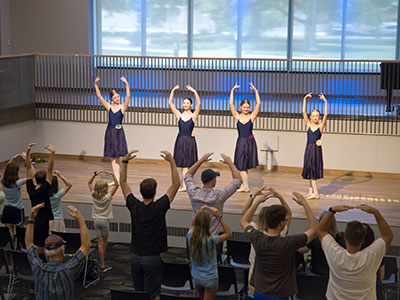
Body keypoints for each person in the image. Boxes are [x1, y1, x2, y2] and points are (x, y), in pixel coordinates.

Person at [119, 149, 180, 300]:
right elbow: (176, 184)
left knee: (139, 295)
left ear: (140, 192)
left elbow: (123, 183)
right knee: (151, 296)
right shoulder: (159, 207)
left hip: (134, 257)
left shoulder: (134, 206)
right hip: (152, 259)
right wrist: (172, 161)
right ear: (155, 192)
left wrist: (125, 162)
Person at [240, 192, 317, 300]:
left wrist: (257, 201)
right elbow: (314, 229)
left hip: (260, 293)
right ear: (281, 223)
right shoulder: (289, 242)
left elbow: (244, 220)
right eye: (285, 220)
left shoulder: (257, 238)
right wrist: (304, 203)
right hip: (280, 295)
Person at [318, 204, 393, 300]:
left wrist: (332, 211)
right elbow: (388, 236)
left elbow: (321, 230)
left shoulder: (335, 254)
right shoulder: (371, 255)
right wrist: (375, 212)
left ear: (345, 238)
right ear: (362, 240)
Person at [26, 203, 91, 300]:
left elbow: (29, 243)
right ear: (62, 252)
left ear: (45, 252)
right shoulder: (69, 269)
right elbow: (86, 245)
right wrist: (81, 221)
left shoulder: (38, 267)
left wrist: (31, 218)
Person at [184, 152, 242, 262]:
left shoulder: (193, 192)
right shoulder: (219, 195)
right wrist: (230, 162)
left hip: (196, 237)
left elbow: (188, 175)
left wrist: (201, 160)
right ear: (212, 180)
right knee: (214, 264)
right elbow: (238, 180)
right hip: (214, 239)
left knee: (194, 262)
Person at [241, 186, 292, 296]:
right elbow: (288, 215)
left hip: (255, 273)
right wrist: (280, 197)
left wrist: (254, 197)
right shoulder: (280, 232)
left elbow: (245, 213)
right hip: (275, 276)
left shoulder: (254, 232)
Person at [187, 205, 232, 300]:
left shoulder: (190, 236)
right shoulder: (211, 240)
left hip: (196, 278)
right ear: (208, 224)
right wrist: (219, 217)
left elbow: (192, 225)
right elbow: (228, 233)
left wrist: (198, 214)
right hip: (210, 278)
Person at [94, 76, 130, 183]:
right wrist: (96, 84)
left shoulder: (123, 107)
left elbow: (127, 96)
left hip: (118, 133)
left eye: (118, 97)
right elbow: (99, 96)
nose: (118, 99)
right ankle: (116, 179)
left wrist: (126, 84)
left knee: (119, 158)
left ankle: (119, 178)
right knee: (113, 158)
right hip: (110, 132)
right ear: (111, 99)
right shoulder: (109, 107)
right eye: (115, 98)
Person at [169, 84, 201, 192]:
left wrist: (194, 91)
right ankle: (181, 183)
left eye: (187, 103)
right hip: (180, 140)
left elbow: (199, 104)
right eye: (184, 103)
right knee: (179, 165)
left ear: (191, 105)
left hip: (189, 141)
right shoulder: (179, 115)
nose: (185, 104)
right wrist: (173, 91)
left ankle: (185, 186)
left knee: (187, 165)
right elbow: (170, 103)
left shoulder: (193, 116)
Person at [229, 83, 261, 192]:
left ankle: (246, 186)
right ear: (240, 107)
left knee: (243, 166)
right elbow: (231, 104)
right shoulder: (237, 116)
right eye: (244, 107)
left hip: (249, 142)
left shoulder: (252, 117)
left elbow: (258, 103)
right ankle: (244, 185)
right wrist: (232, 91)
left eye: (247, 107)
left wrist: (256, 91)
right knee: (241, 165)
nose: (246, 109)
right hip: (240, 142)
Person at [25, 143, 55, 254]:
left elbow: (28, 168)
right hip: (43, 221)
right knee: (42, 247)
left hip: (34, 220)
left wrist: (28, 153)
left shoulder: (30, 189)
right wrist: (52, 153)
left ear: (36, 179)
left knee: (35, 244)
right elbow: (50, 169)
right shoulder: (45, 189)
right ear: (44, 180)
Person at [88, 170, 119, 272]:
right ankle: (102, 264)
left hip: (96, 221)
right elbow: (117, 184)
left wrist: (95, 174)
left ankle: (101, 263)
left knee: (99, 243)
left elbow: (89, 183)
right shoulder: (108, 197)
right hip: (105, 221)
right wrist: (112, 174)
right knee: (104, 243)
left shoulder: (93, 195)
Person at [301, 93, 328, 199]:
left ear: (319, 117)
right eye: (313, 116)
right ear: (310, 117)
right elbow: (303, 112)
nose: (315, 118)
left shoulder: (320, 126)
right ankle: (310, 190)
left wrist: (325, 102)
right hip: (309, 149)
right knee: (309, 169)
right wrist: (304, 99)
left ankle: (316, 193)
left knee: (313, 170)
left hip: (316, 151)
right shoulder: (308, 125)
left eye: (317, 116)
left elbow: (326, 116)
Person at [297, 210, 339, 276]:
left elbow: (301, 250)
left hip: (316, 272)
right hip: (333, 273)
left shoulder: (315, 238)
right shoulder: (339, 237)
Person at [1, 152, 27, 243]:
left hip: (7, 209)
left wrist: (12, 159)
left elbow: (6, 170)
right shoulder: (17, 183)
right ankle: (20, 250)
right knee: (20, 233)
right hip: (17, 210)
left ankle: (9, 250)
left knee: (9, 233)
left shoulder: (2, 180)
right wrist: (27, 160)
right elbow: (31, 176)